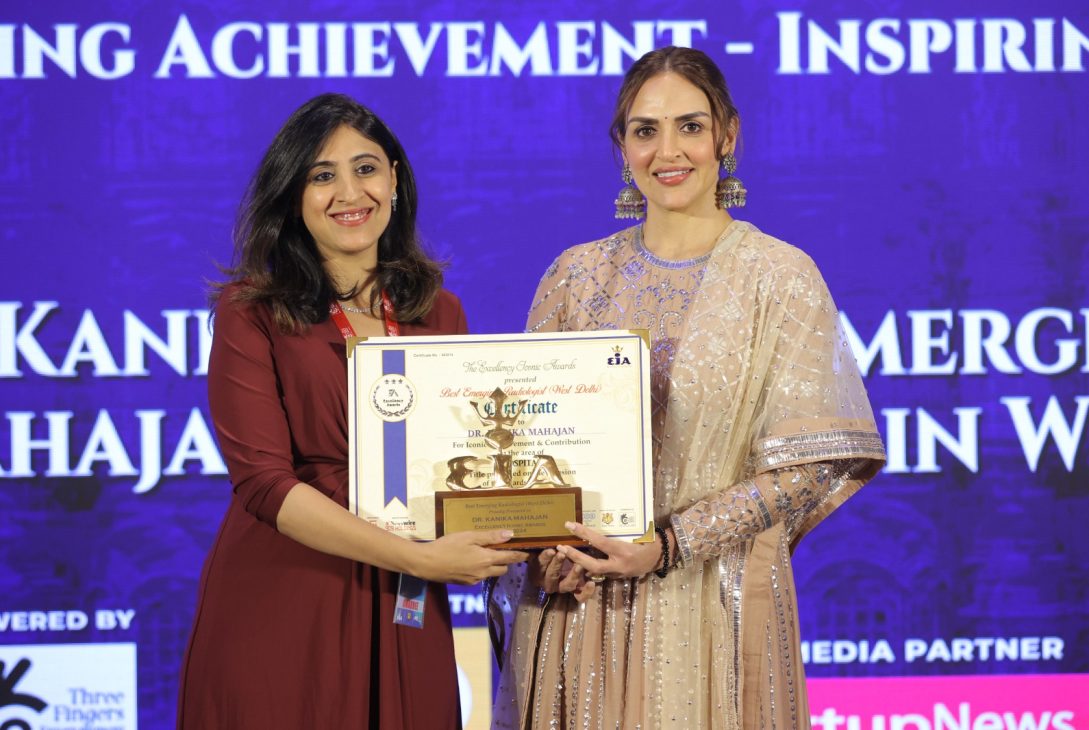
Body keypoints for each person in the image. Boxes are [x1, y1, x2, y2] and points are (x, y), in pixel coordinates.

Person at [487, 47, 886, 729]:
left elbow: (806, 467)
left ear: (727, 135)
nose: (667, 151)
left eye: (689, 127)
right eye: (645, 130)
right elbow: (524, 449)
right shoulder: (575, 277)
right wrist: (547, 553)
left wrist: (668, 545)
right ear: (621, 146)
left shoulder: (780, 278)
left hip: (713, 602)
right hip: (582, 609)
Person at [177, 93, 527, 729]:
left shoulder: (439, 312)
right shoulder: (251, 310)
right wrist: (424, 560)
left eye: (365, 169)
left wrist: (535, 530)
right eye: (321, 175)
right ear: (293, 195)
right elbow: (262, 484)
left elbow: (463, 468)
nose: (349, 192)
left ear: (394, 178)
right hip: (289, 593)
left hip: (406, 606)